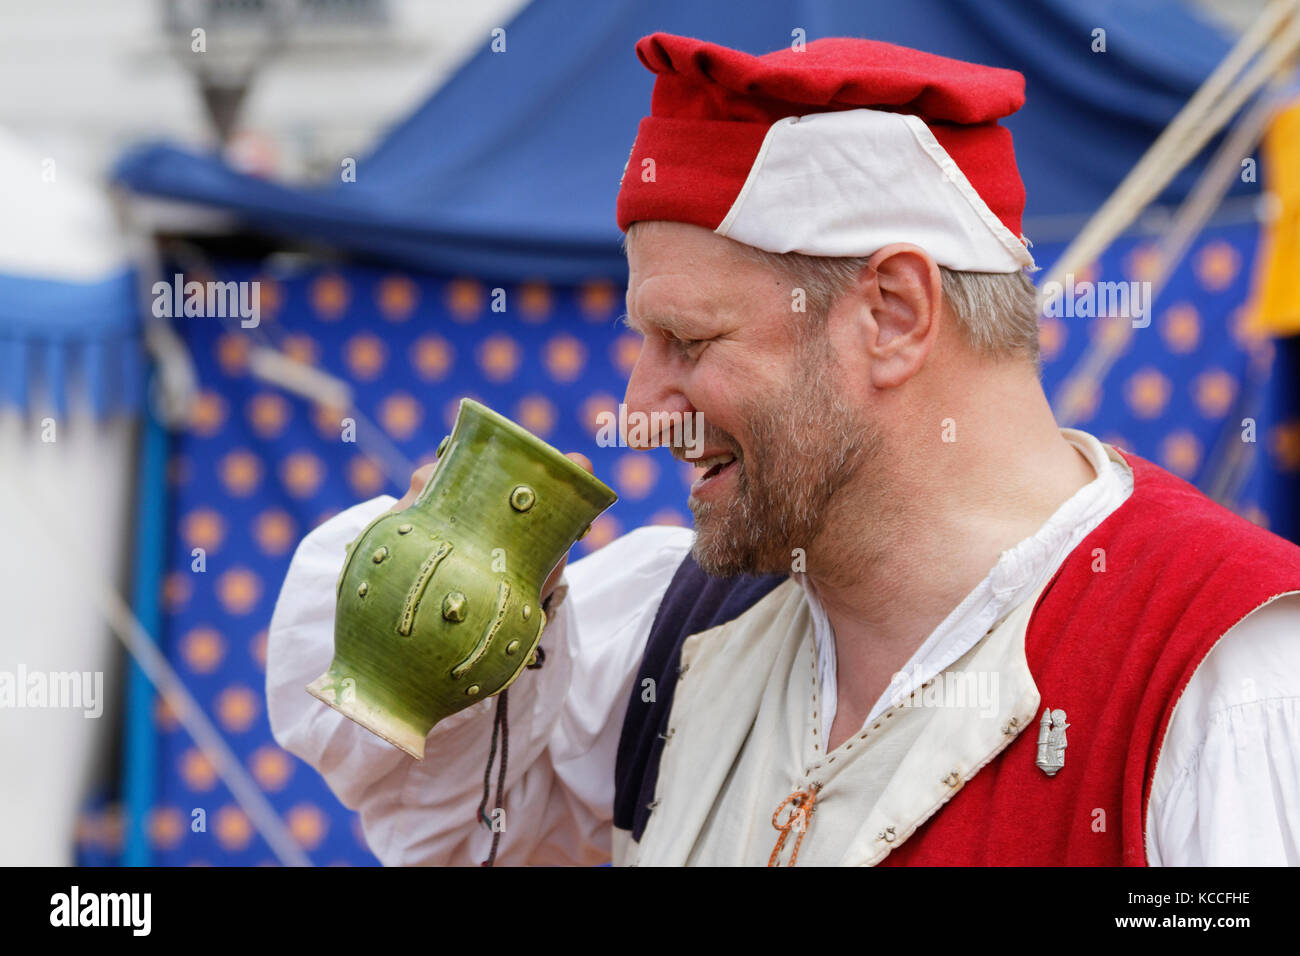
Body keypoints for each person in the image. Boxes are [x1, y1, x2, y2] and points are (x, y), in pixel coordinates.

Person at [266, 32, 1300, 866]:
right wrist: (466, 642)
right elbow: (463, 833)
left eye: (690, 340)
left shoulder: (1227, 677)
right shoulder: (669, 637)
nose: (639, 407)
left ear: (893, 312)